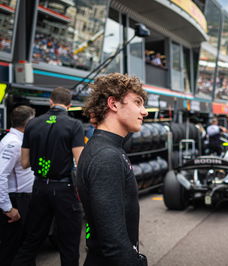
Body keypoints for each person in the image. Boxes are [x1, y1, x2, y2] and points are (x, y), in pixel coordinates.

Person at [76, 73, 148, 266]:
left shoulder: (105, 148)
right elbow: (113, 243)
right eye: (138, 102)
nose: (145, 111)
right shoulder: (106, 156)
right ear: (114, 104)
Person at [12, 87, 84, 266]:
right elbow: (80, 162)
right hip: (64, 189)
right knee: (69, 244)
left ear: (50, 102)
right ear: (69, 105)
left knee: (32, 239)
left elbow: (25, 163)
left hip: (39, 187)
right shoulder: (74, 125)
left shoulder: (32, 124)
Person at [0, 105, 35, 266]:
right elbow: (1, 175)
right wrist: (7, 208)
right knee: (13, 250)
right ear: (27, 123)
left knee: (24, 248)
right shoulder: (13, 143)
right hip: (16, 202)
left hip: (23, 201)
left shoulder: (19, 140)